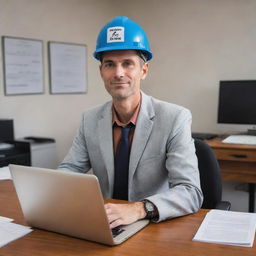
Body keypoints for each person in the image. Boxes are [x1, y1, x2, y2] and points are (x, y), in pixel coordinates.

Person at [59, 16, 203, 229]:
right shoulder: (89, 119)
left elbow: (190, 192)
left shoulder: (175, 118)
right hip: (106, 222)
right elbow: (69, 169)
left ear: (143, 70)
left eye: (127, 64)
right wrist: (49, 192)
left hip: (154, 225)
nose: (118, 73)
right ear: (101, 72)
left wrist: (139, 209)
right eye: (110, 64)